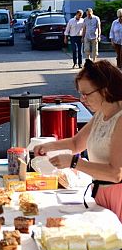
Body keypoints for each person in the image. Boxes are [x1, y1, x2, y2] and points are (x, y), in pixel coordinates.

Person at [33, 59, 122, 222]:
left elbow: (116, 173)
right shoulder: (101, 114)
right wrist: (47, 146)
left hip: (118, 197)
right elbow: (76, 144)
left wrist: (74, 163)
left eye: (86, 94)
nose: (82, 99)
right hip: (101, 192)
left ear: (106, 90)